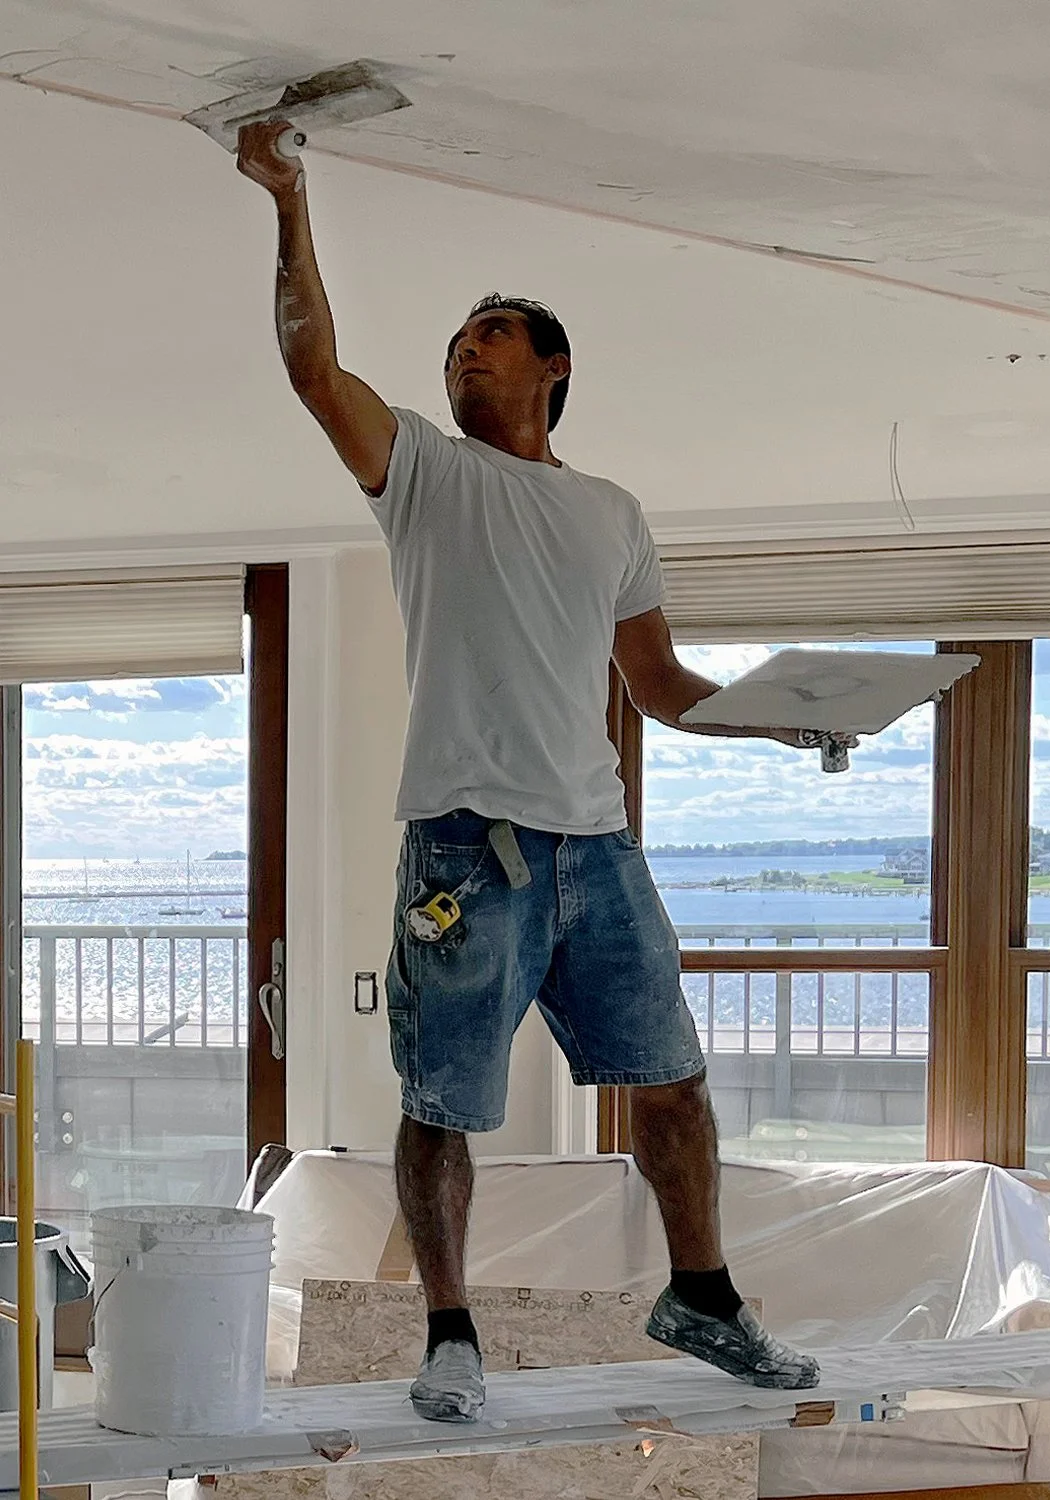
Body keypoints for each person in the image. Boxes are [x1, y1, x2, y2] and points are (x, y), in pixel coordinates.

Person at [236, 121, 831, 1423]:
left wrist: (792, 721)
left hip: (598, 847)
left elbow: (661, 688)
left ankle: (704, 1299)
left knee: (671, 1081)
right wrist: (290, 201)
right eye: (457, 335)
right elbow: (309, 365)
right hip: (466, 845)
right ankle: (450, 1336)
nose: (464, 345)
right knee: (442, 1102)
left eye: (492, 329)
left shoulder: (609, 514)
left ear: (553, 367)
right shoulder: (425, 476)